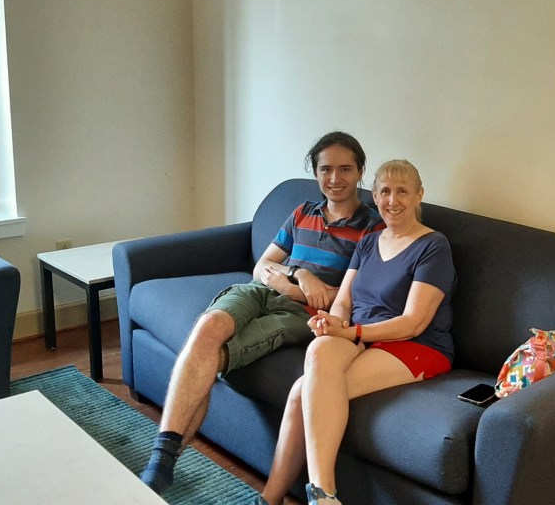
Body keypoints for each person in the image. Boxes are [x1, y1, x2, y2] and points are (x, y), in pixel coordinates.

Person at [139, 131, 384, 494]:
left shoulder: (373, 228)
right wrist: (300, 275)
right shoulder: (303, 212)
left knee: (217, 354)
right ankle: (161, 456)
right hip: (263, 291)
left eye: (345, 169)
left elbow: (356, 296)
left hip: (302, 315)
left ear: (360, 171)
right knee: (208, 327)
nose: (335, 178)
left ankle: (163, 466)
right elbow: (262, 267)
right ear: (316, 172)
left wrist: (298, 289)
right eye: (326, 169)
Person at [259, 160, 456, 505]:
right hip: (363, 337)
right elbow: (344, 302)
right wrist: (331, 324)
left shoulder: (433, 246)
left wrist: (350, 333)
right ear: (374, 197)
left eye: (402, 191)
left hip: (415, 345)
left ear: (419, 195)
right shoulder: (368, 242)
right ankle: (289, 497)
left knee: (303, 394)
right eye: (384, 191)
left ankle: (316, 494)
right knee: (319, 349)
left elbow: (413, 322)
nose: (392, 200)